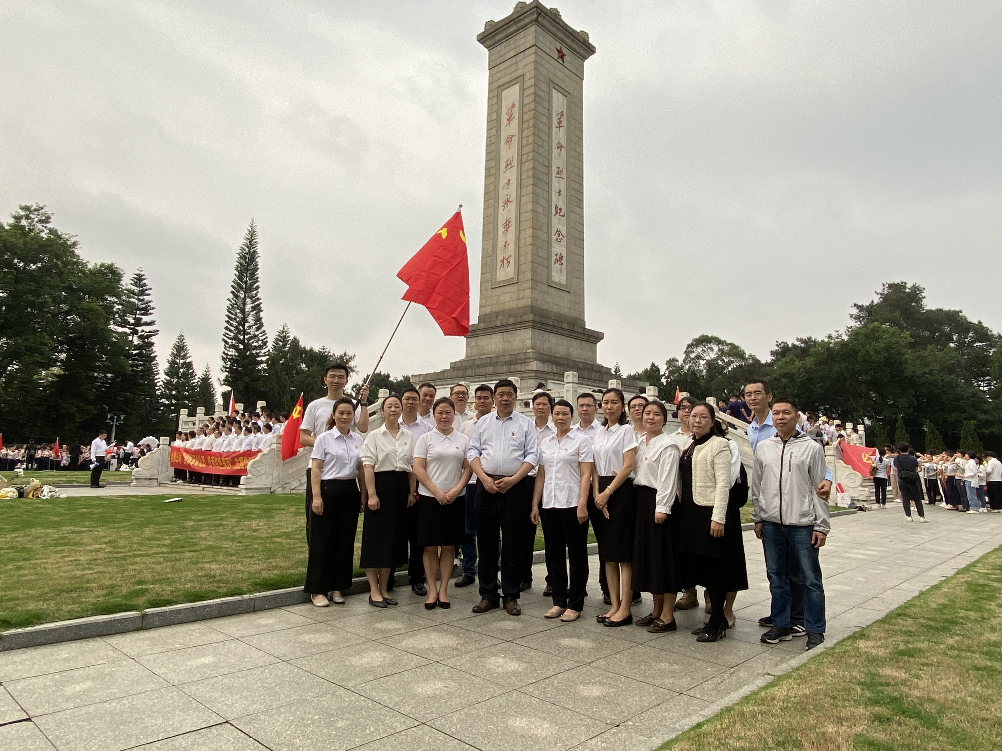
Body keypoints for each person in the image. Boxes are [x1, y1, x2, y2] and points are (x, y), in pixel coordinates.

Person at [752, 398, 830, 651]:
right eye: (776, 413)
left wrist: (821, 525)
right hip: (772, 522)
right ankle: (781, 623)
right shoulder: (764, 447)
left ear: (797, 417)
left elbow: (819, 489)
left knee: (810, 578)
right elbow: (758, 485)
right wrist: (758, 517)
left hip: (802, 522)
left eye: (786, 413)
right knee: (777, 576)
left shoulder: (811, 448)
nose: (781, 417)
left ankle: (814, 628)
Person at [467, 379, 538, 616]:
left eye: (509, 394)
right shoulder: (483, 423)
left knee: (512, 543)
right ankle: (487, 594)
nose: (505, 398)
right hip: (485, 486)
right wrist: (483, 478)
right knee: (486, 543)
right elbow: (473, 451)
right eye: (501, 394)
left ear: (516, 397)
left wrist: (513, 480)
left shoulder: (525, 424)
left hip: (515, 487)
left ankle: (511, 595)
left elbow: (532, 456)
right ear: (494, 398)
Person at [679, 403, 745, 643]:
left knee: (716, 570)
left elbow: (724, 485)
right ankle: (715, 620)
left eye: (703, 417)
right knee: (704, 569)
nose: (696, 420)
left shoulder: (719, 445)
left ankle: (718, 621)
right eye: (693, 416)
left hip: (709, 514)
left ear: (712, 421)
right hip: (691, 514)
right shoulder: (689, 445)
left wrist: (718, 518)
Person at [531, 398, 593, 622]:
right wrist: (535, 504)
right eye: (557, 414)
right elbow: (541, 475)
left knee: (577, 555)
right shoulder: (546, 443)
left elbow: (586, 474)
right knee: (554, 555)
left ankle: (575, 604)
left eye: (565, 414)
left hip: (572, 504)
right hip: (550, 504)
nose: (560, 417)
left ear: (571, 416)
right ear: (552, 416)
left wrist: (582, 504)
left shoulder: (581, 441)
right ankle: (558, 601)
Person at [304, 397, 366, 607]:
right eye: (341, 413)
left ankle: (339, 586)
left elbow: (360, 469)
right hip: (327, 490)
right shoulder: (324, 438)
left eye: (349, 413)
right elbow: (316, 469)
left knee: (345, 541)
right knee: (322, 541)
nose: (345, 417)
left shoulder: (358, 440)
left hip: (349, 490)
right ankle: (318, 589)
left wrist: (363, 494)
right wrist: (316, 497)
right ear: (334, 415)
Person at [413, 397, 473, 609]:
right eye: (440, 412)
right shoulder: (425, 439)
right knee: (430, 546)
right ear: (434, 415)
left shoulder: (463, 440)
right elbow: (418, 468)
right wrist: (436, 491)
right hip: (430, 498)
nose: (444, 416)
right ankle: (432, 589)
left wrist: (456, 489)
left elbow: (468, 467)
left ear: (454, 415)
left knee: (448, 546)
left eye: (448, 412)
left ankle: (444, 590)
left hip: (455, 498)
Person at [299, 362, 369, 542]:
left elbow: (363, 427)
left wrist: (363, 402)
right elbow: (303, 437)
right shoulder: (315, 406)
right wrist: (326, 444)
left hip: (345, 473)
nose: (336, 380)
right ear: (325, 379)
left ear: (346, 381)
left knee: (343, 528)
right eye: (332, 376)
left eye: (340, 377)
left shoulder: (352, 405)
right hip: (319, 470)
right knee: (317, 522)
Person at [360, 396, 416, 608]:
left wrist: (411, 492)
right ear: (383, 411)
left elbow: (412, 467)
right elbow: (368, 467)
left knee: (392, 541)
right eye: (389, 406)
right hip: (380, 487)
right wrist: (372, 495)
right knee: (375, 540)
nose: (393, 409)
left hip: (400, 489)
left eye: (396, 406)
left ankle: (384, 588)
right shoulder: (374, 436)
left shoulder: (409, 436)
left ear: (401, 410)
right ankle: (373, 590)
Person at [632, 400, 681, 633]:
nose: (650, 418)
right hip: (642, 501)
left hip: (660, 503)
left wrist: (662, 508)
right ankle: (656, 610)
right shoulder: (641, 442)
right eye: (647, 413)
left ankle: (668, 615)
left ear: (664, 419)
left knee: (664, 559)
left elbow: (668, 480)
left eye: (656, 414)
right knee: (651, 558)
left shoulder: (668, 445)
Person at [591, 388, 638, 627]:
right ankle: (614, 604)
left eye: (614, 402)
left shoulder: (627, 431)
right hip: (600, 490)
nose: (609, 407)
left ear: (622, 406)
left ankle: (626, 608)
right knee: (608, 553)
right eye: (605, 402)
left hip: (620, 491)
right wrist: (597, 495)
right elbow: (594, 467)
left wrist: (608, 492)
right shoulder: (598, 432)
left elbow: (628, 466)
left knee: (623, 555)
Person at [456, 384, 495, 588]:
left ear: (492, 400)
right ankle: (468, 569)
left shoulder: (498, 423)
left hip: (490, 482)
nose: (482, 401)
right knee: (467, 530)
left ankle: (493, 572)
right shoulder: (466, 425)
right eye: (479, 398)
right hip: (470, 482)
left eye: (486, 398)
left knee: (490, 531)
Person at [398, 386, 431, 596]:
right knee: (395, 530)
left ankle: (417, 578)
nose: (410, 402)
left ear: (419, 402)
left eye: (414, 399)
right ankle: (389, 576)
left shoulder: (427, 429)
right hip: (396, 482)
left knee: (418, 534)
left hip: (420, 482)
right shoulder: (392, 423)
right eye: (407, 399)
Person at [670, 396, 700, 612]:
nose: (686, 412)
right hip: (678, 501)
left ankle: (709, 592)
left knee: (702, 549)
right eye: (683, 408)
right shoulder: (672, 438)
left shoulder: (705, 437)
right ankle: (689, 591)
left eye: (691, 408)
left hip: (700, 501)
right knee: (682, 549)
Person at [526, 391, 555, 592]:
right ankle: (524, 576)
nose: (541, 407)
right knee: (525, 533)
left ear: (550, 407)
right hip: (527, 481)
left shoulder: (556, 430)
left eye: (545, 404)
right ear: (532, 407)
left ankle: (552, 580)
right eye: (537, 404)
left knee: (552, 534)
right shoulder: (525, 428)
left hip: (550, 483)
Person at [892, 444, 929, 521]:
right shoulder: (913, 458)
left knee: (905, 498)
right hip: (912, 479)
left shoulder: (897, 459)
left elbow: (895, 466)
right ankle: (921, 516)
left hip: (902, 479)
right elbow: (916, 466)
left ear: (899, 450)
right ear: (908, 449)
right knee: (917, 498)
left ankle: (908, 516)